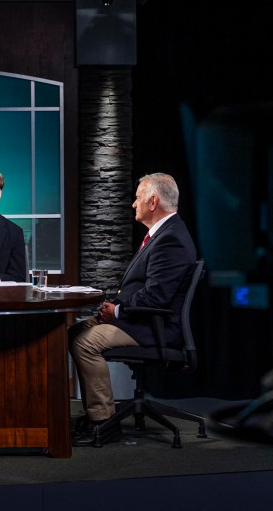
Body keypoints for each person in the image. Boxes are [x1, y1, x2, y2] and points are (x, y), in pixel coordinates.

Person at [69, 172, 197, 447]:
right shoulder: (160, 234)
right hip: (137, 320)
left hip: (154, 328)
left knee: (85, 342)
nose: (132, 204)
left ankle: (103, 422)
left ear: (153, 202)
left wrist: (117, 312)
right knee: (74, 331)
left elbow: (156, 297)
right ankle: (94, 413)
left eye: (137, 198)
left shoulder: (170, 239)